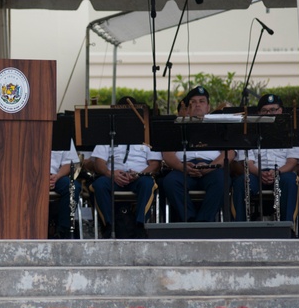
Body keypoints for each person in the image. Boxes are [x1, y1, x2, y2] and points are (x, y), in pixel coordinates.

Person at [89, 99, 161, 238]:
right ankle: (108, 226)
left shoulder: (147, 135)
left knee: (148, 183)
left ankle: (140, 226)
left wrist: (139, 174)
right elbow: (99, 163)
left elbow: (155, 164)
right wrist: (111, 174)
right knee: (98, 185)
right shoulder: (108, 134)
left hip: (138, 178)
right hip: (113, 178)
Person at [161, 86, 232, 223]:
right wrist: (181, 166)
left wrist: (210, 166)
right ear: (187, 109)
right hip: (184, 168)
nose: (197, 105)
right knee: (170, 182)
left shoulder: (219, 126)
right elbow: (167, 153)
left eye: (201, 101)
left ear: (208, 106)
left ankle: (203, 223)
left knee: (223, 180)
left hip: (212, 169)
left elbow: (229, 152)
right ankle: (190, 220)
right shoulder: (177, 127)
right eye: (193, 102)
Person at [233, 93, 299, 223]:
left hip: (281, 172)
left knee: (290, 181)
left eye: (273, 110)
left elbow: (292, 162)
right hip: (256, 173)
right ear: (259, 113)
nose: (269, 113)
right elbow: (247, 162)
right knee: (242, 182)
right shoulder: (249, 131)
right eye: (265, 111)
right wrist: (259, 173)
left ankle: (287, 226)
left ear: (280, 111)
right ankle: (240, 227)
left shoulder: (290, 131)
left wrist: (277, 172)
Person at [48, 149, 82, 239]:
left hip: (55, 176)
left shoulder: (63, 135)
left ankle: (63, 233)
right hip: (28, 176)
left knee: (72, 186)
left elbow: (70, 163)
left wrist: (56, 177)